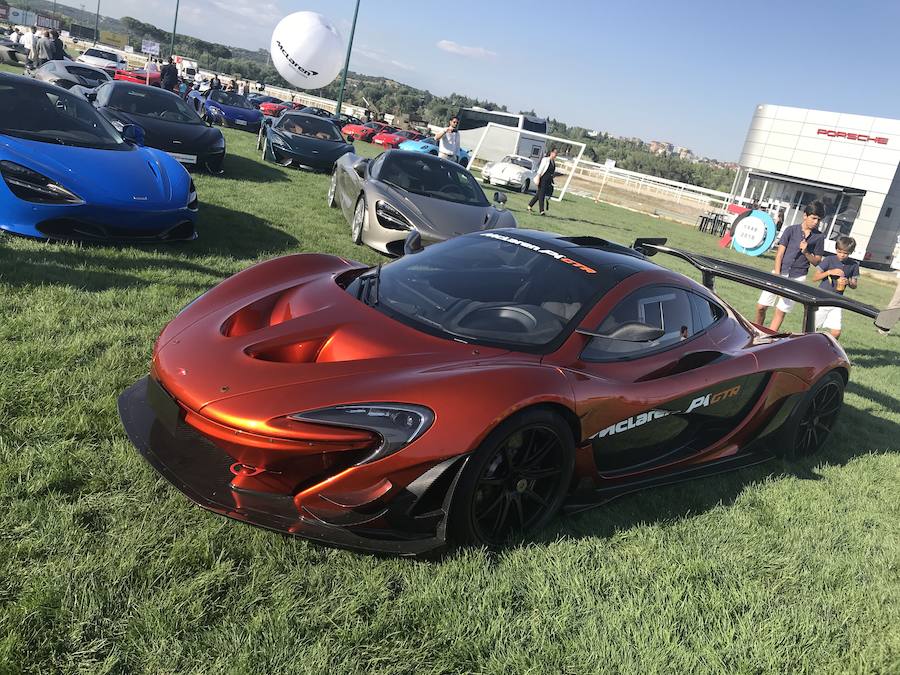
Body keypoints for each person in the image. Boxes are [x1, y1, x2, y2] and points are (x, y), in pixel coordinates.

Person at [755, 200, 826, 331]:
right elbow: (779, 254)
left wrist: (806, 252)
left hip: (797, 277)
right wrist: (777, 274)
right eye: (813, 218)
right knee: (761, 306)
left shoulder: (819, 237)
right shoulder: (791, 230)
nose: (816, 222)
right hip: (779, 272)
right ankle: (756, 331)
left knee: (780, 310)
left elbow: (817, 261)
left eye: (819, 219)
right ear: (805, 215)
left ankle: (769, 338)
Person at [811, 236, 859, 340]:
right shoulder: (829, 260)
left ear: (851, 252)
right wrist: (829, 272)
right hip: (822, 299)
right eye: (839, 251)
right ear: (836, 249)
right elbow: (814, 278)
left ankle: (825, 348)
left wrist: (848, 282)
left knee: (836, 332)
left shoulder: (854, 265)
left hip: (837, 301)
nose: (842, 255)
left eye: (845, 253)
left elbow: (854, 285)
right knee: (811, 328)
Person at [528, 148, 558, 216]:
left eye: (556, 153)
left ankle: (530, 205)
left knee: (539, 194)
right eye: (555, 153)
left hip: (548, 180)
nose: (556, 155)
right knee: (542, 195)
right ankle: (542, 211)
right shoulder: (545, 160)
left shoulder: (553, 162)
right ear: (551, 152)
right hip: (543, 179)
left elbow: (551, 171)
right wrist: (538, 178)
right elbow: (541, 169)